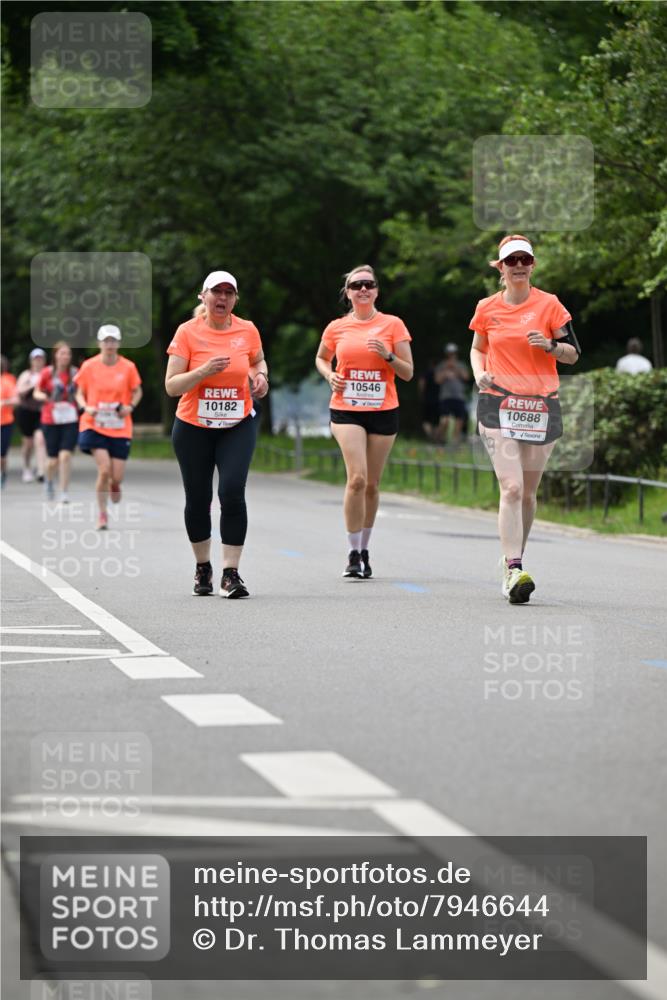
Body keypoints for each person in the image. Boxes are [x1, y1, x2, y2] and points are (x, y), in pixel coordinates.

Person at [469, 234, 580, 604]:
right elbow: (477, 349)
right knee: (512, 488)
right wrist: (478, 374)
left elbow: (573, 354)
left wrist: (549, 346)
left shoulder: (549, 305)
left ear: (532, 265)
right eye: (511, 260)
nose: (518, 265)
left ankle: (512, 561)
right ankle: (514, 568)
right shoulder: (487, 308)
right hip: (497, 402)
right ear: (500, 267)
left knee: (529, 495)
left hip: (540, 406)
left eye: (524, 259)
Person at [165, 270, 268, 598]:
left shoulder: (247, 330)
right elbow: (171, 386)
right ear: (203, 297)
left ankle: (231, 573)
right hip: (193, 427)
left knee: (232, 492)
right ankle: (202, 567)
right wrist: (203, 371)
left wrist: (260, 377)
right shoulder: (187, 333)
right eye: (216, 292)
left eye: (229, 293)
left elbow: (258, 361)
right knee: (198, 499)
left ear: (235, 299)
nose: (222, 298)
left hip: (237, 424)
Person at [315, 264, 414, 579]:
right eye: (356, 285)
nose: (362, 290)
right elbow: (320, 357)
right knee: (356, 478)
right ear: (348, 292)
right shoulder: (336, 328)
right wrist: (330, 375)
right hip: (346, 409)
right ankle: (352, 552)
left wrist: (387, 355)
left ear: (376, 290)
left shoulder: (393, 325)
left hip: (383, 410)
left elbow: (407, 372)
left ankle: (365, 548)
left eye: (368, 284)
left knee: (371, 484)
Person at [75, 325, 142, 529]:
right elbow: (79, 393)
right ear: (99, 343)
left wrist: (129, 407)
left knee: (116, 475)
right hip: (94, 423)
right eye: (106, 341)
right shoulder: (89, 366)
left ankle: (115, 484)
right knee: (104, 470)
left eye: (113, 341)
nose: (109, 345)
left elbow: (137, 391)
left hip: (120, 426)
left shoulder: (128, 367)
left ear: (119, 343)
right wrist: (86, 406)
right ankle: (102, 514)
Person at [33, 342, 80, 502]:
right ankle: (49, 480)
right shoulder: (47, 373)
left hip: (70, 418)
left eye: (67, 353)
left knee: (65, 455)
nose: (65, 356)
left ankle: (64, 491)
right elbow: (37, 392)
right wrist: (45, 398)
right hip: (51, 419)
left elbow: (83, 391)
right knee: (53, 459)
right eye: (62, 353)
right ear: (55, 355)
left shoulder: (75, 373)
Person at [15, 348, 47, 483]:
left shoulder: (47, 374)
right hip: (26, 411)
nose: (38, 361)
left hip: (41, 411)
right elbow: (19, 392)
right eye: (36, 359)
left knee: (40, 439)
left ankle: (41, 471)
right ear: (31, 361)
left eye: (40, 359)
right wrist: (32, 385)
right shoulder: (26, 375)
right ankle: (26, 467)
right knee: (28, 443)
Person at [435, 343, 470, 446]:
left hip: (459, 397)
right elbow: (437, 380)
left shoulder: (461, 365)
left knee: (459, 420)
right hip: (445, 397)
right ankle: (440, 438)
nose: (452, 355)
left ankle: (455, 442)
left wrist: (456, 367)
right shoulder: (441, 366)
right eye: (450, 354)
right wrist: (446, 370)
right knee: (444, 420)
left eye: (453, 353)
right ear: (447, 354)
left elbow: (466, 377)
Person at [1, 355, 18, 488]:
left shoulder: (7, 381)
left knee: (2, 455)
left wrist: (4, 402)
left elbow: (16, 400)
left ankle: (3, 472)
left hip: (5, 422)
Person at [418, 358, 441, 442]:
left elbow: (421, 384)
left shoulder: (426, 373)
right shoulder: (439, 373)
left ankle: (430, 436)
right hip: (438, 400)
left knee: (426, 420)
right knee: (436, 421)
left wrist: (421, 394)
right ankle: (435, 437)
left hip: (427, 399)